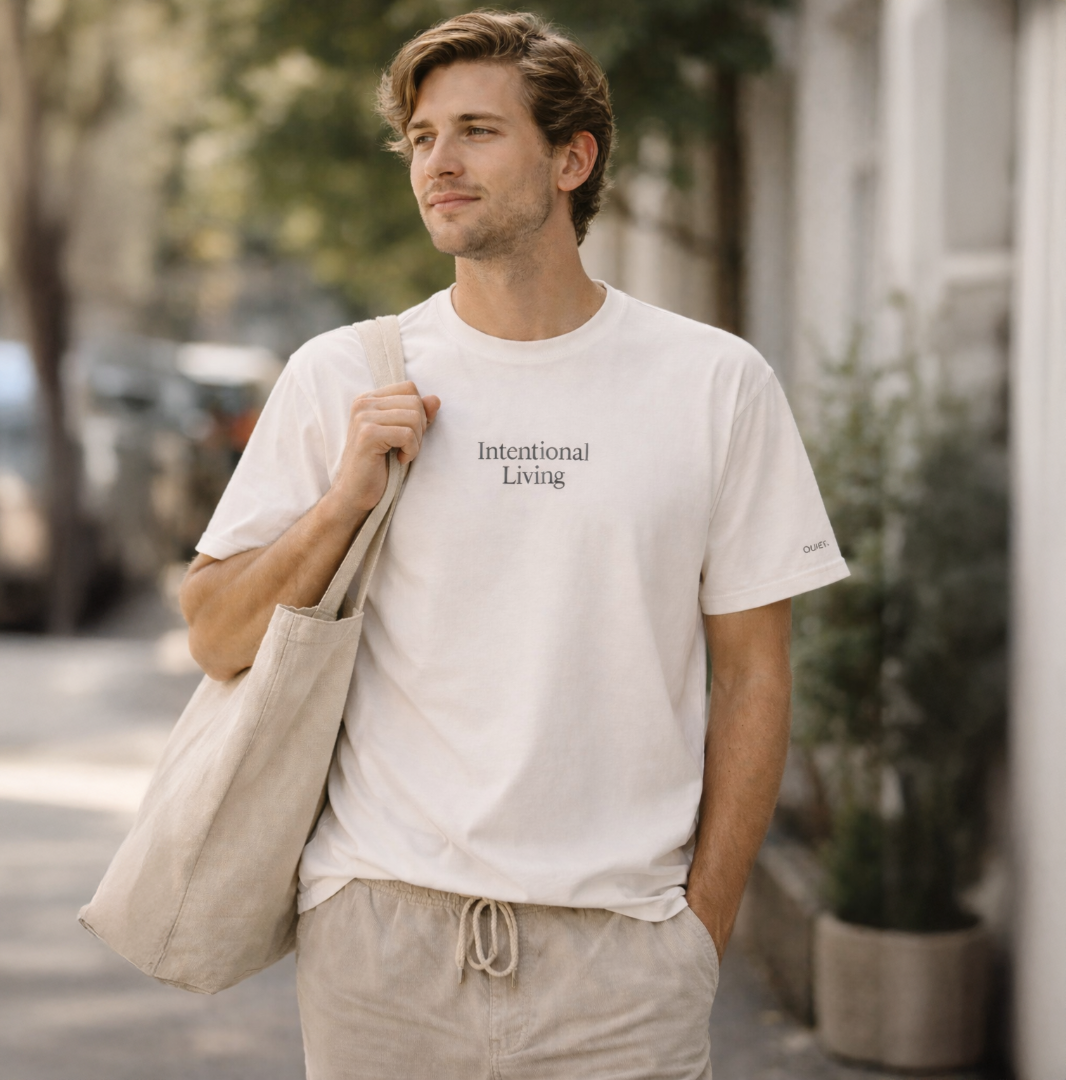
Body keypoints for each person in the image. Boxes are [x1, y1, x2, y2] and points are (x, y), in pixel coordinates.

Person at [179, 11, 849, 1079]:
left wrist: (698, 931)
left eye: (478, 131)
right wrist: (339, 504)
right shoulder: (344, 374)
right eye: (422, 136)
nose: (437, 161)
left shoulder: (714, 383)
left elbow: (755, 673)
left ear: (571, 158)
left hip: (621, 956)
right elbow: (214, 636)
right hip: (384, 943)